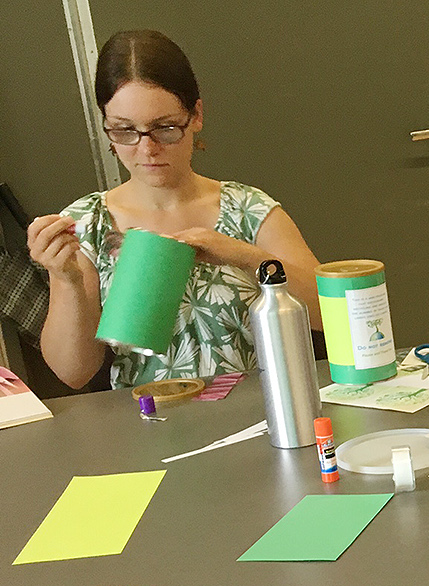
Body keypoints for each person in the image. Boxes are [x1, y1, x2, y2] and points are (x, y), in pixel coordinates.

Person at [27, 30, 321, 390]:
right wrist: (66, 278)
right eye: (124, 131)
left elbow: (334, 313)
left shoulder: (248, 210)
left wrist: (245, 256)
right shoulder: (86, 223)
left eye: (164, 129)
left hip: (261, 412)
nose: (147, 149)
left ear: (195, 115)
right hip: (148, 421)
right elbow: (73, 373)